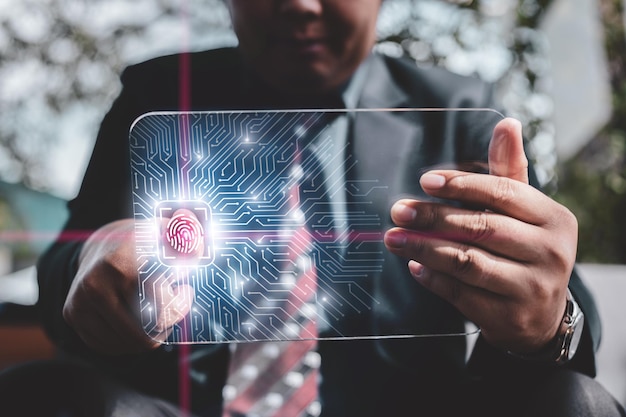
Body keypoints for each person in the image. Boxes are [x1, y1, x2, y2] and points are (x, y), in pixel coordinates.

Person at [1, 0, 624, 416]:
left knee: (577, 400)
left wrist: (544, 318)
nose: (299, 3)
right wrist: (92, 260)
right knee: (39, 393)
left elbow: (566, 314)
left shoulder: (459, 113)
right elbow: (67, 269)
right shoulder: (157, 95)